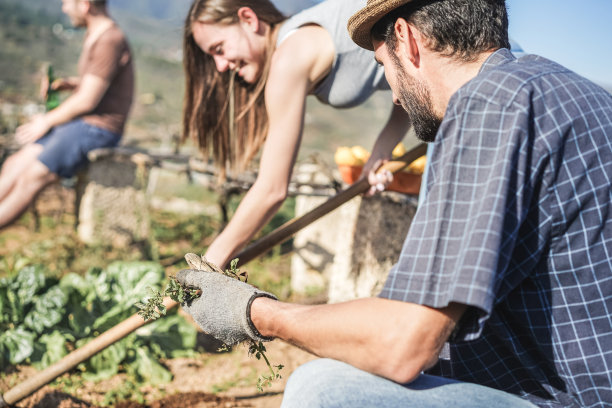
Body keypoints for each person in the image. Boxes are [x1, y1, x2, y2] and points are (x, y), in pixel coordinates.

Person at [175, 0, 612, 406]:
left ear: (406, 39)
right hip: (572, 373)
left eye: (382, 64)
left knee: (323, 390)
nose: (394, 94)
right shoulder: (570, 91)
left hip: (572, 397)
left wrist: (255, 311)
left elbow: (402, 345)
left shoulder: (485, 110)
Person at [182, 0, 410, 269]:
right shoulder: (295, 42)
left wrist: (205, 267)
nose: (220, 66)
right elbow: (413, 77)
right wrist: (383, 149)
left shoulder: (289, 58)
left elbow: (271, 190)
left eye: (219, 49)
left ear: (248, 19)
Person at [0, 0, 134, 229]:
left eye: (66, 2)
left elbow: (87, 100)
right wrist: (70, 84)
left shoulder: (109, 40)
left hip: (97, 129)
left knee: (31, 177)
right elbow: (98, 82)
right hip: (82, 124)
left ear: (85, 5)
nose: (64, 8)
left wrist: (46, 121)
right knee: (14, 163)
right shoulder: (96, 34)